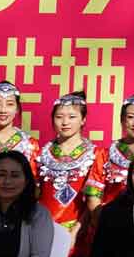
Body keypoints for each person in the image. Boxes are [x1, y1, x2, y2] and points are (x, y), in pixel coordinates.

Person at [37, 94, 101, 232]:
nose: (65, 122)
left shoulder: (96, 155)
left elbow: (94, 200)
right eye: (59, 117)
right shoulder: (41, 154)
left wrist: (76, 230)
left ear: (83, 119)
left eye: (72, 117)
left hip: (79, 232)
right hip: (42, 228)